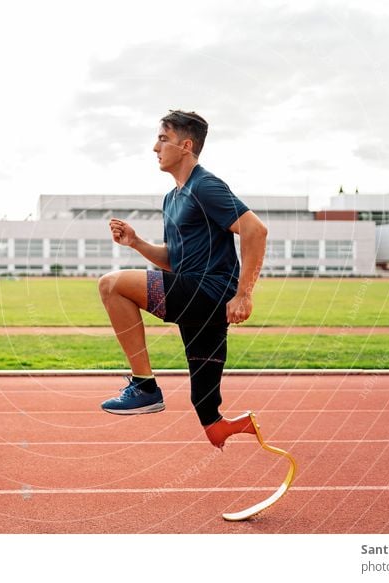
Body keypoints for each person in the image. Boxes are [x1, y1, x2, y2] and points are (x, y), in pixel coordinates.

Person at [98, 110, 269, 449]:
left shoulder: (205, 186)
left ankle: (144, 385)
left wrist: (244, 294)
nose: (154, 147)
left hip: (209, 291)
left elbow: (255, 230)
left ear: (186, 145)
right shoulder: (172, 198)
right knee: (206, 411)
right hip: (193, 294)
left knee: (111, 285)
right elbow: (174, 261)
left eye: (163, 139)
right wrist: (136, 243)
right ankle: (233, 428)